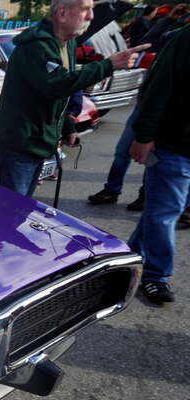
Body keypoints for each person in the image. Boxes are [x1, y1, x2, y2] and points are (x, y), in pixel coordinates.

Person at [0, 0, 149, 197]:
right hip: (20, 145)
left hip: (36, 143)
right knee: (10, 207)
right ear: (62, 13)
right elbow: (57, 84)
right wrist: (108, 65)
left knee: (21, 206)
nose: (91, 16)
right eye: (85, 9)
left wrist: (66, 126)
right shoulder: (37, 45)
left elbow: (59, 93)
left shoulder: (68, 44)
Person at [127, 25, 190, 304]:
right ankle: (156, 275)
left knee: (160, 211)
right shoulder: (185, 39)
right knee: (165, 213)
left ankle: (129, 256)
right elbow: (157, 87)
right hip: (174, 146)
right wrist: (144, 135)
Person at [86, 106, 146, 210]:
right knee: (122, 152)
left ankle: (146, 195)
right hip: (141, 109)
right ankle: (111, 191)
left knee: (152, 159)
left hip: (163, 113)